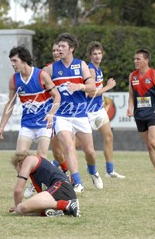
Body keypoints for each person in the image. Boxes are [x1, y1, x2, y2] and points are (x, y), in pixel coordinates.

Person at [0, 46, 61, 197]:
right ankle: (33, 183)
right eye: (11, 61)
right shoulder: (14, 80)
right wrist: (1, 126)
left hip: (45, 123)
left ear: (24, 60)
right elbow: (10, 104)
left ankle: (40, 188)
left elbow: (57, 96)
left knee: (41, 156)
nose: (12, 64)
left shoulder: (41, 75)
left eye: (14, 61)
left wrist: (51, 114)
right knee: (19, 160)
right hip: (27, 124)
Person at [45, 33, 103, 193]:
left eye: (63, 46)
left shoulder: (81, 65)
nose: (59, 49)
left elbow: (92, 87)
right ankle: (77, 182)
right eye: (58, 47)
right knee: (69, 146)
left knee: (90, 151)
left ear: (71, 49)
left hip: (80, 115)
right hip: (61, 116)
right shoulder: (51, 68)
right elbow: (38, 80)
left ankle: (93, 172)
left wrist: (81, 87)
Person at [127, 49, 155, 185]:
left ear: (146, 60)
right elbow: (131, 95)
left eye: (138, 59)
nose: (135, 61)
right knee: (149, 146)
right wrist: (130, 107)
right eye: (134, 59)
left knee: (153, 141)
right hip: (139, 115)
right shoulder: (132, 76)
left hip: (153, 113)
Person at [85, 41, 125, 179]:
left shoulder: (98, 68)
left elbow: (97, 91)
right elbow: (90, 93)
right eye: (94, 54)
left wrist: (102, 100)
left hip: (98, 110)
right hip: (88, 112)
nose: (97, 56)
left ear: (102, 54)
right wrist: (108, 87)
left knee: (108, 136)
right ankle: (58, 165)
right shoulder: (90, 70)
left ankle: (109, 171)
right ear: (90, 56)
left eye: (99, 53)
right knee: (76, 143)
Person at [9, 151, 79, 217]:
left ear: (18, 164)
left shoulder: (29, 159)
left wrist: (17, 206)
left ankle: (66, 205)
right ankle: (61, 209)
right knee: (25, 210)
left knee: (22, 207)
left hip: (62, 186)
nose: (18, 173)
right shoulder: (36, 173)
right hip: (65, 192)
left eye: (16, 169)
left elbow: (18, 189)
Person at [43, 43, 69, 174]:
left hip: (70, 112)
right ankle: (65, 170)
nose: (56, 52)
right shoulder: (47, 70)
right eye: (54, 50)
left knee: (69, 147)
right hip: (54, 112)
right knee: (57, 151)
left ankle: (74, 178)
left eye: (59, 50)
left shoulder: (73, 67)